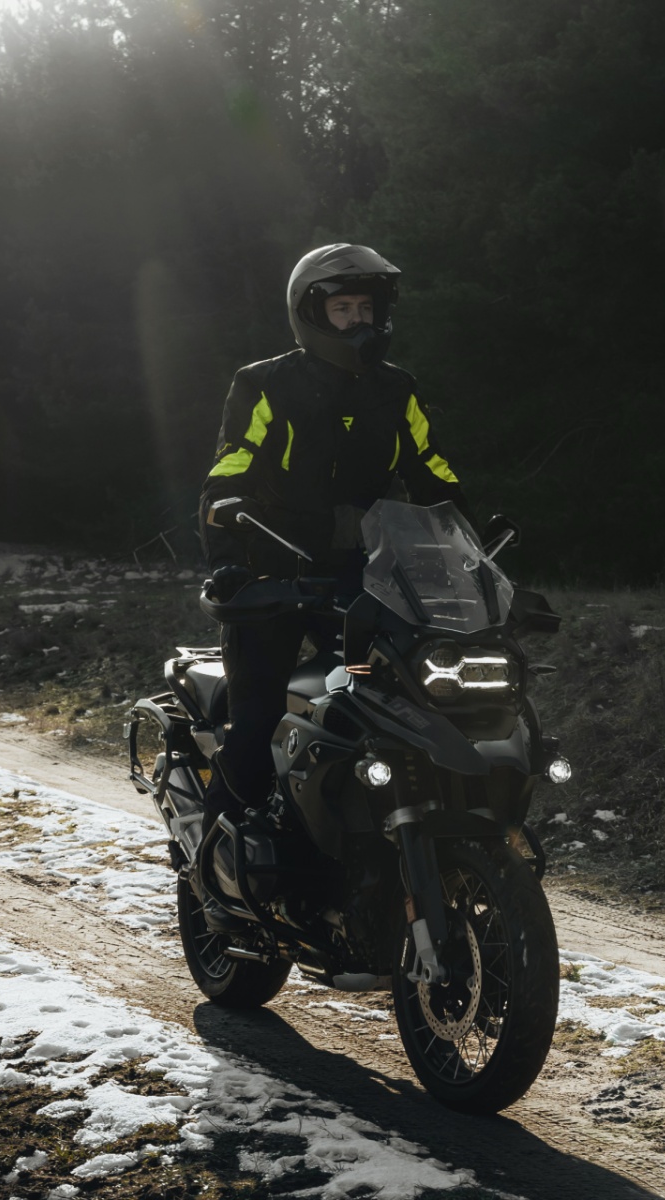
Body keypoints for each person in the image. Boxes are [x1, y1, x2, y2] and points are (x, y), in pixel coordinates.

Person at [196, 244, 474, 876]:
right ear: (311, 313)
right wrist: (230, 559)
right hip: (272, 578)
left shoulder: (396, 388)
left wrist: (470, 549)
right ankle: (216, 874)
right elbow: (230, 470)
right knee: (257, 720)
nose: (357, 320)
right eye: (342, 308)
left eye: (365, 308)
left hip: (367, 581)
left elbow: (433, 473)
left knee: (396, 707)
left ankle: (375, 850)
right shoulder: (265, 383)